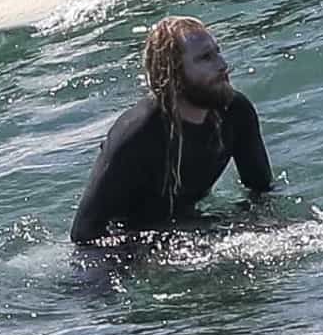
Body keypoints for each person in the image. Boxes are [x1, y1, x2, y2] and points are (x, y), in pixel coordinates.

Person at [71, 16, 271, 243]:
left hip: (190, 227)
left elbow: (261, 191)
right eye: (206, 58)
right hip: (131, 242)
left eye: (218, 52)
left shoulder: (235, 112)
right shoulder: (137, 132)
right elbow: (84, 233)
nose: (222, 65)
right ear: (173, 74)